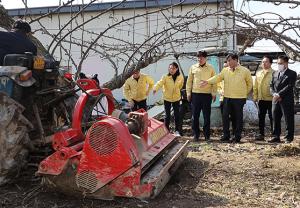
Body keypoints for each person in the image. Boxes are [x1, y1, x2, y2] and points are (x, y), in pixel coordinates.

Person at [200, 53, 253, 143]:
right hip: (227, 98)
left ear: (236, 60)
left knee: (237, 118)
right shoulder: (225, 70)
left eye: (229, 60)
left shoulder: (245, 71)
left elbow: (250, 84)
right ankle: (226, 135)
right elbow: (218, 77)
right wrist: (207, 82)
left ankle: (237, 136)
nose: (228, 62)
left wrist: (243, 94)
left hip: (239, 99)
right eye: (227, 61)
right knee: (225, 117)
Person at [186, 50, 217, 141]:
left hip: (206, 95)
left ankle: (207, 135)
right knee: (195, 116)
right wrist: (188, 93)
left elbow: (214, 81)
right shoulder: (193, 67)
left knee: (206, 116)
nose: (200, 59)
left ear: (205, 58)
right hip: (195, 95)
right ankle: (196, 134)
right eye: (198, 57)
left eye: (202, 57)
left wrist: (214, 93)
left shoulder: (211, 68)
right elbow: (189, 81)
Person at [269, 55, 297, 143]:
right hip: (275, 99)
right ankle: (276, 136)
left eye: (281, 63)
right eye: (278, 63)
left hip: (286, 100)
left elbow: (289, 86)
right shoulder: (275, 73)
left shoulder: (292, 73)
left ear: (286, 63)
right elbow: (271, 85)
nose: (279, 65)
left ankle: (288, 137)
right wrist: (274, 94)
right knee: (275, 118)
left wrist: (279, 95)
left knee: (288, 119)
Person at [153, 62, 184, 135]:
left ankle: (177, 131)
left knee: (177, 115)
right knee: (167, 115)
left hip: (176, 98)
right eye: (170, 68)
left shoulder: (180, 77)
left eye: (173, 68)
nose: (171, 70)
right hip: (167, 98)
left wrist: (177, 91)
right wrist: (155, 88)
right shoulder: (165, 76)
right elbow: (160, 83)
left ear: (176, 69)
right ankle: (166, 131)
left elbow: (181, 85)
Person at [253, 56, 274, 141]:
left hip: (271, 99)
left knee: (272, 117)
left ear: (270, 63)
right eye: (262, 62)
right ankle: (261, 134)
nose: (264, 63)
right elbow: (255, 86)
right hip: (261, 99)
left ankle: (274, 134)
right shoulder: (258, 73)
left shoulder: (274, 73)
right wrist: (255, 97)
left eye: (266, 62)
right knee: (261, 117)